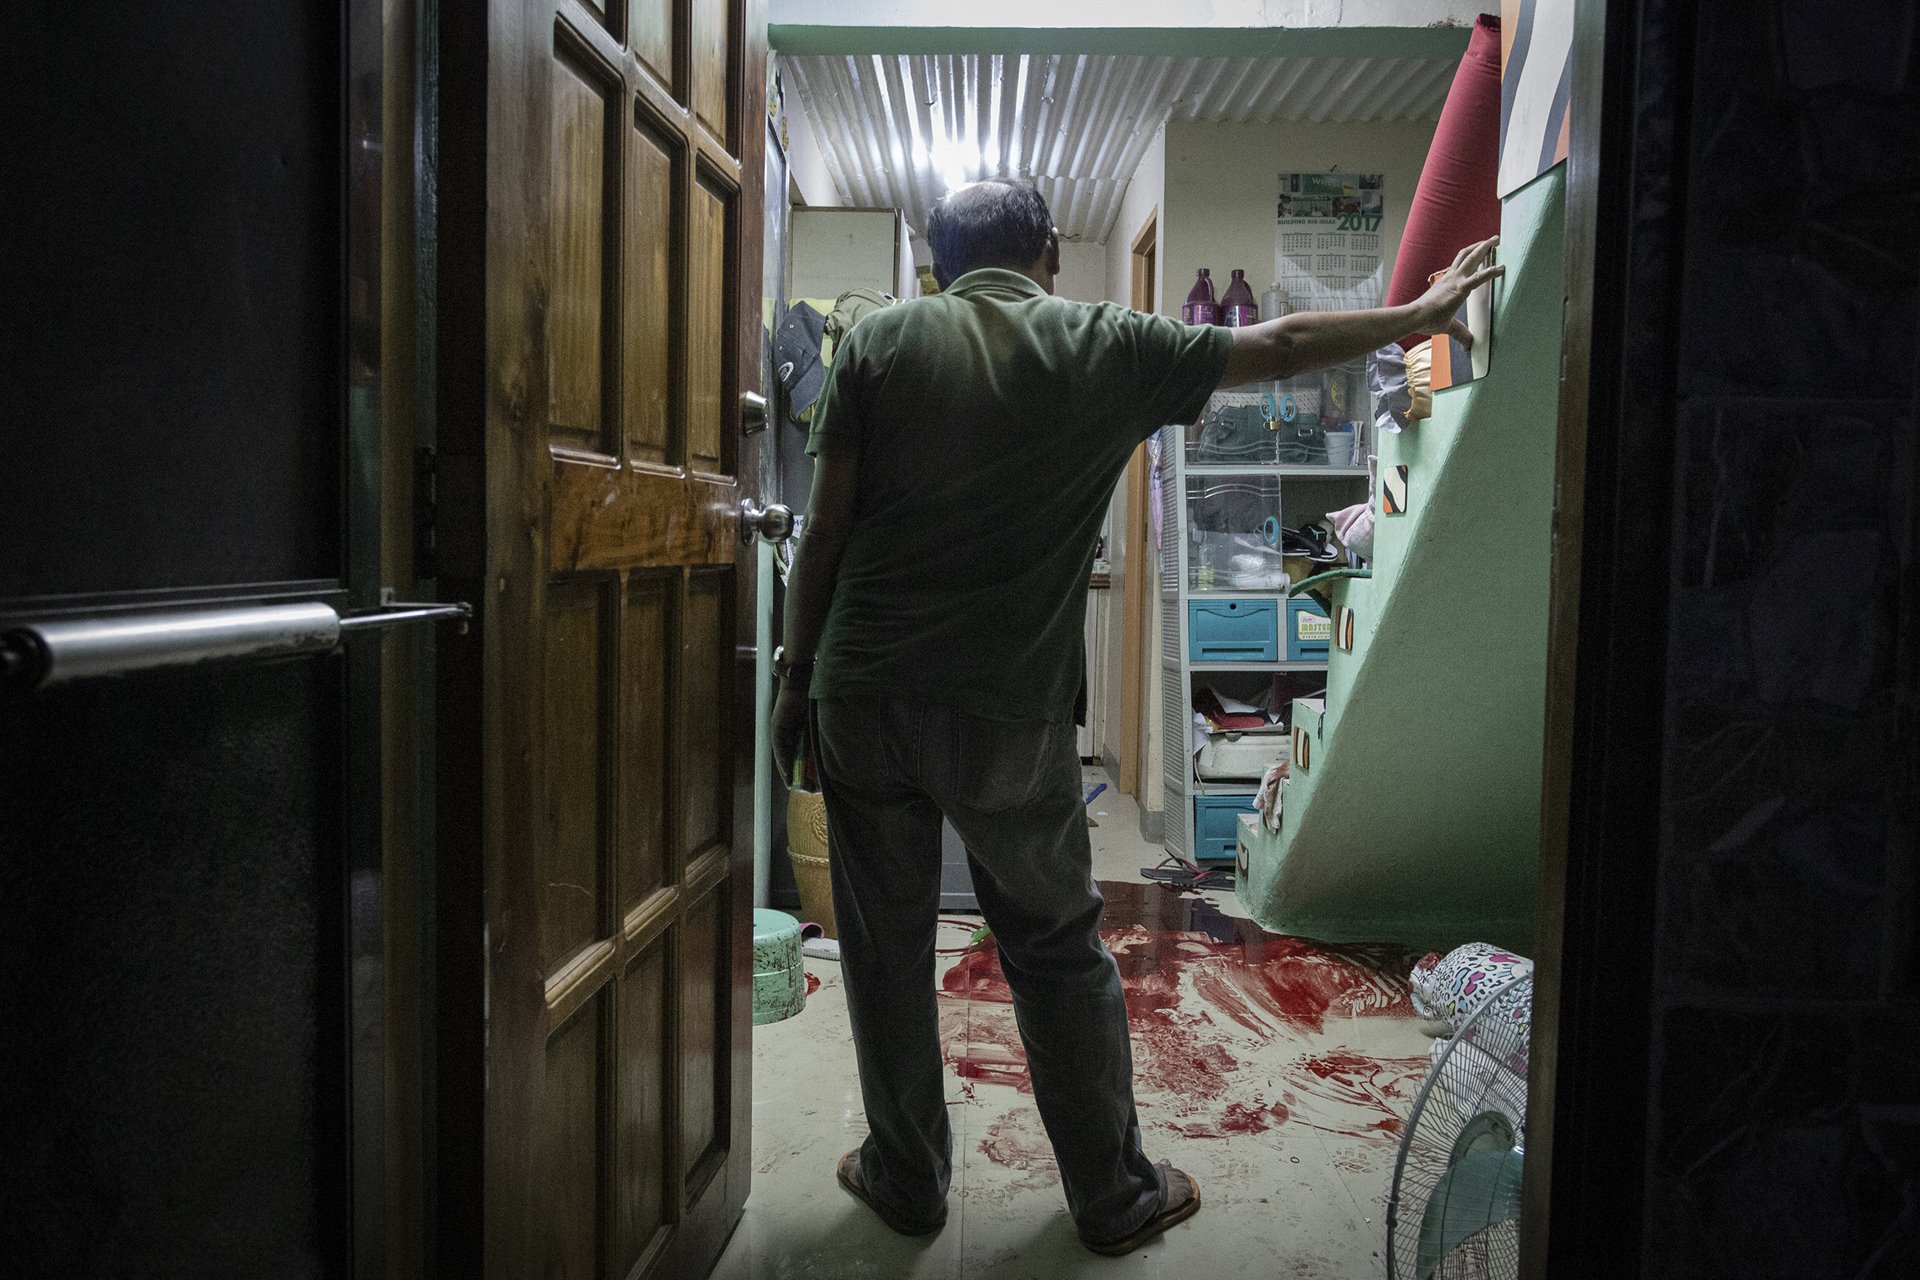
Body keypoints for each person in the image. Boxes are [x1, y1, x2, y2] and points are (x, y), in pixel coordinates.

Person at [771, 179, 1501, 1255]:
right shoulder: (1103, 342)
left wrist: (794, 679)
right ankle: (1113, 1194)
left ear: (937, 262)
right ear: (1051, 255)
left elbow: (824, 531)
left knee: (883, 947)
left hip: (861, 688)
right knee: (1056, 945)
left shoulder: (879, 343)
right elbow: (1289, 339)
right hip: (1006, 706)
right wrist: (1419, 313)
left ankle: (905, 1173)